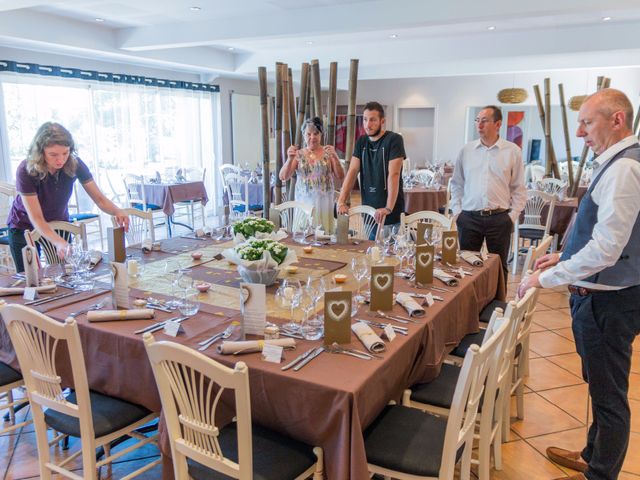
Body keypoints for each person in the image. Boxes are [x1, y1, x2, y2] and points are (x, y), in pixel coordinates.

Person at [519, 89, 640, 480]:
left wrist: (546, 277)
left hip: (609, 302)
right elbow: (607, 234)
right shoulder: (619, 162)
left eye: (587, 122)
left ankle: (600, 472)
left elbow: (607, 249)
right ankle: (593, 454)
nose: (580, 131)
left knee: (608, 396)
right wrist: (565, 256)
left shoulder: (624, 168)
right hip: (608, 297)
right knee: (600, 384)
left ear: (617, 120)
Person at [7, 122, 129, 272]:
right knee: (31, 277)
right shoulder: (25, 170)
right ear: (40, 152)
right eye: (53, 154)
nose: (60, 160)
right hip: (23, 226)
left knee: (66, 274)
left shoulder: (75, 163)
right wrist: (58, 242)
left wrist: (117, 211)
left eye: (65, 153)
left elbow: (100, 199)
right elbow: (37, 218)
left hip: (58, 222)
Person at [450, 105, 526, 272]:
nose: (479, 125)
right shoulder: (466, 150)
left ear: (498, 124)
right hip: (469, 217)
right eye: (477, 120)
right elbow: (456, 184)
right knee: (467, 266)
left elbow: (519, 188)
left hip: (499, 218)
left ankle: (498, 299)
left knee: (498, 268)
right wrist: (457, 213)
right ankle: (471, 299)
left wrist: (511, 217)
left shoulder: (512, 151)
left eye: (484, 121)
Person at [336, 101, 405, 235]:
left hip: (390, 213)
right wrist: (341, 201)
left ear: (382, 121)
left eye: (373, 120)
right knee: (371, 250)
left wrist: (388, 208)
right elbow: (352, 171)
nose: (368, 124)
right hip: (368, 211)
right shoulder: (361, 141)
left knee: (389, 253)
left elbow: (394, 174)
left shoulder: (394, 140)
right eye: (365, 120)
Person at [279, 117, 344, 233]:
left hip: (324, 204)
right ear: (303, 134)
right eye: (308, 134)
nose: (312, 137)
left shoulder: (328, 153)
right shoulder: (298, 154)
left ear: (321, 134)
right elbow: (283, 177)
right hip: (304, 204)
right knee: (304, 238)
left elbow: (340, 175)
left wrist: (335, 156)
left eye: (316, 134)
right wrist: (289, 159)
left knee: (324, 239)